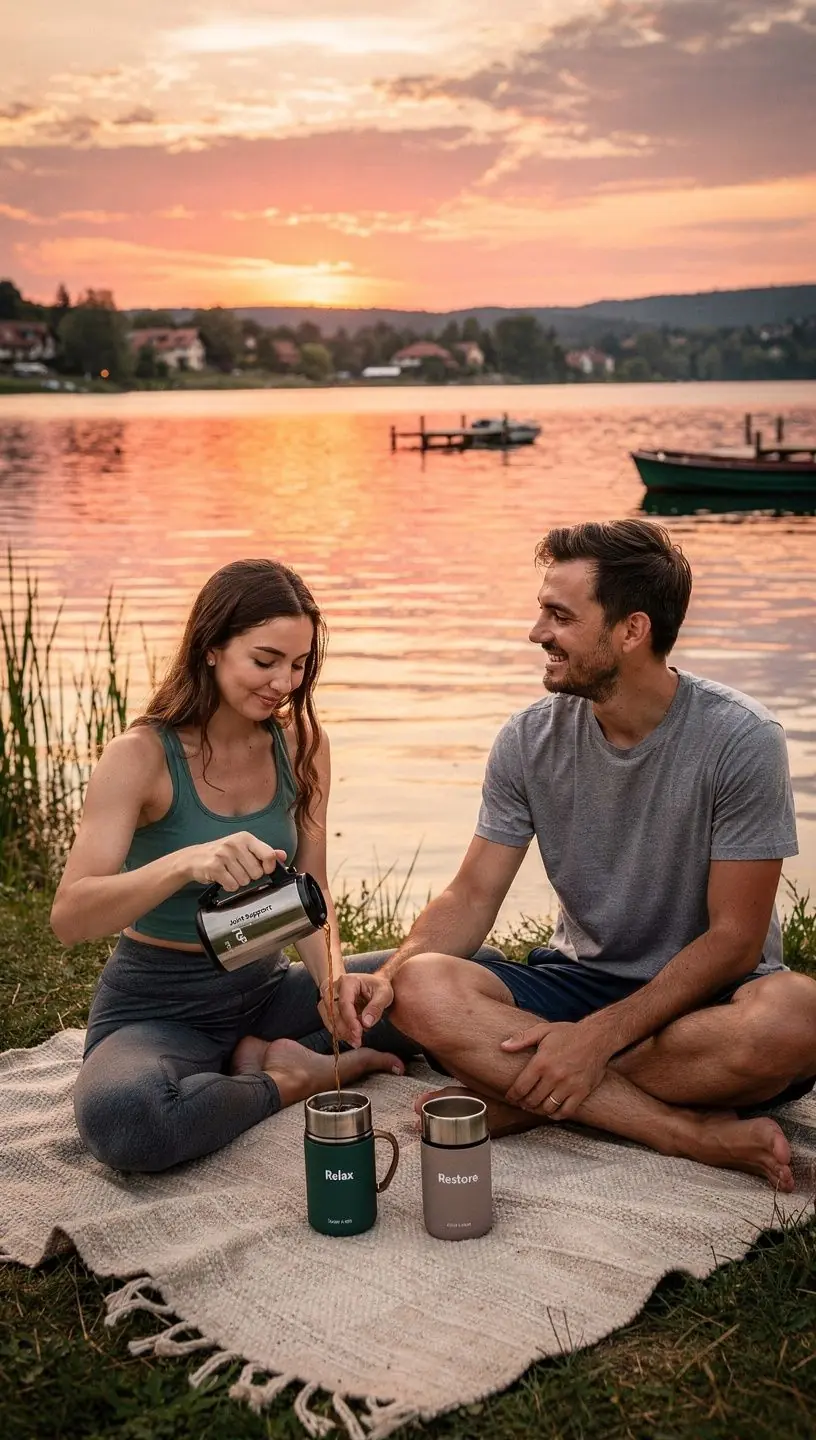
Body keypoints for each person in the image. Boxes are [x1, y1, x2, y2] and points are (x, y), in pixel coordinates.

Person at [327, 520, 816, 1192]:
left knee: (796, 1016)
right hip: (581, 982)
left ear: (631, 630)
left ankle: (518, 1105)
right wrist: (395, 969)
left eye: (559, 615)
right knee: (422, 988)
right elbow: (471, 897)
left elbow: (734, 941)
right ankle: (679, 1130)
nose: (537, 634)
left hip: (708, 997)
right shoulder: (528, 740)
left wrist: (600, 1040)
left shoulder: (741, 740)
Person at [55, 559, 417, 1173]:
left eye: (299, 665)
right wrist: (183, 864)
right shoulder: (141, 755)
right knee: (129, 1120)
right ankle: (291, 1079)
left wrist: (332, 985)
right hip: (158, 1006)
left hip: (265, 986)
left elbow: (312, 887)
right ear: (213, 648)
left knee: (449, 977)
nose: (285, 682)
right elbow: (70, 916)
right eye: (266, 659)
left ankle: (262, 1055)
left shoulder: (302, 742)